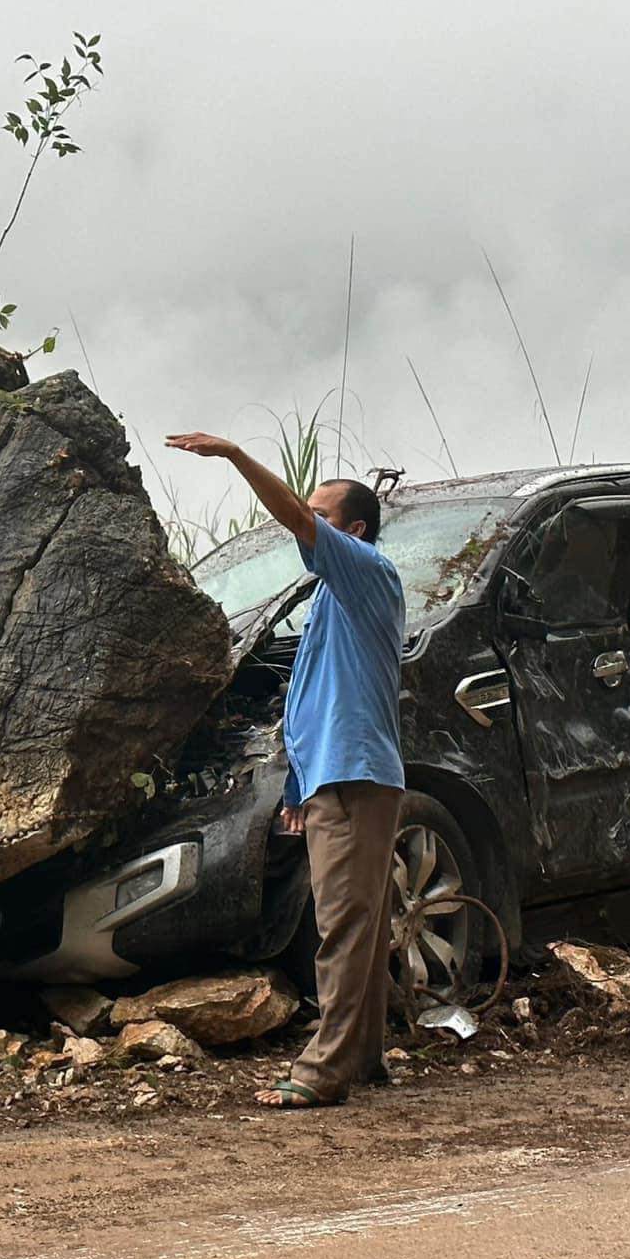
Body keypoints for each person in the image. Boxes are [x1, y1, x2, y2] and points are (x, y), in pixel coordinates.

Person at [166, 432, 406, 1109]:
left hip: (356, 778)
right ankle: (361, 1060)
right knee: (360, 920)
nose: (307, 525)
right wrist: (299, 788)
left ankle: (323, 1070)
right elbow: (314, 707)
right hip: (339, 777)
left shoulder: (366, 573)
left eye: (322, 517)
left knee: (342, 925)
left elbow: (297, 521)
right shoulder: (334, 599)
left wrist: (236, 457)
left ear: (354, 532)